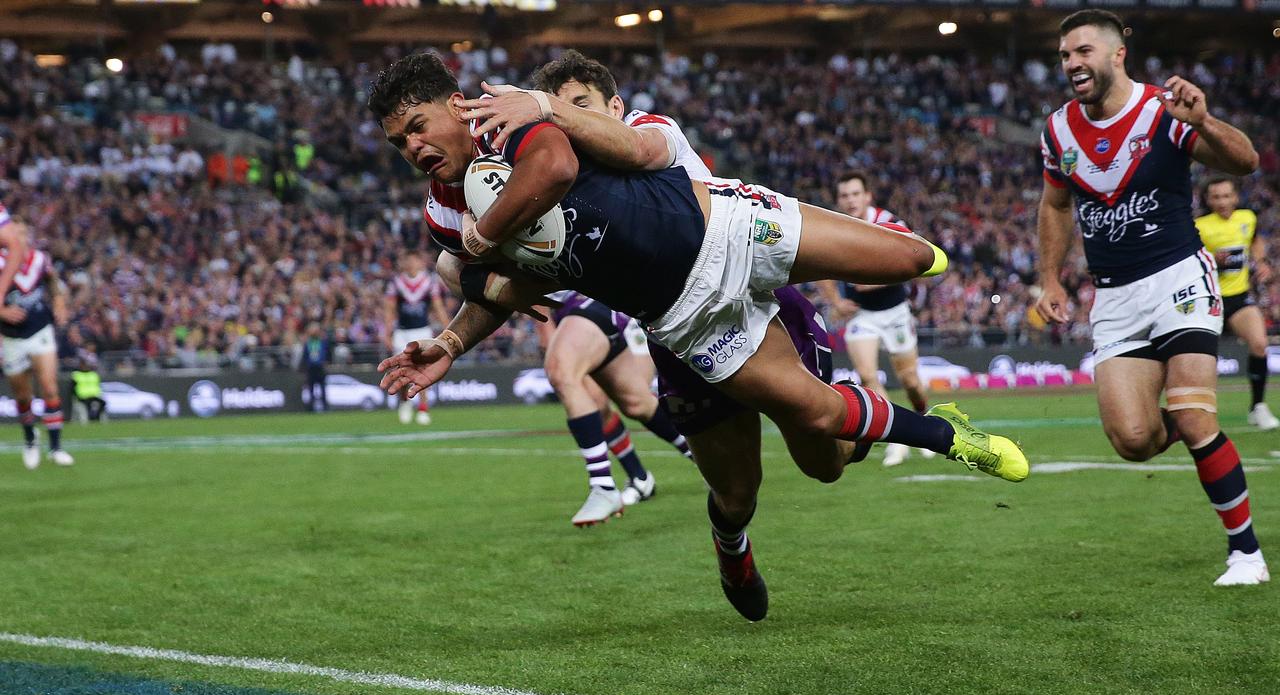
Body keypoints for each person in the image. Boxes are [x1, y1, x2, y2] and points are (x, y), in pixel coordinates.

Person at [370, 52, 1029, 618]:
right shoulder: (441, 216)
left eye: (417, 127)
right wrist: (452, 339)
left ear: (456, 106)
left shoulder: (510, 121)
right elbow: (520, 288)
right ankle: (939, 437)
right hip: (687, 316)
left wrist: (483, 241)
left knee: (911, 258)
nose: (413, 149)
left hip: (728, 226)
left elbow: (558, 170)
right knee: (785, 455)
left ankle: (983, 292)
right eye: (399, 142)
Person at [1035, 10, 1266, 585]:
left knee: (1191, 413)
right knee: (1133, 441)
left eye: (1082, 52)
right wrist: (1051, 277)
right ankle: (1198, 426)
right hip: (1113, 298)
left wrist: (1206, 122)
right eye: (1065, 55)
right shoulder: (1057, 130)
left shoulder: (1166, 108)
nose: (1071, 64)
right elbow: (1056, 205)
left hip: (1178, 280)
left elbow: (1246, 161)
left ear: (1117, 55)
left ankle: (1246, 554)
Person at [477, 51, 705, 526]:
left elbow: (641, 151)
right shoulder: (566, 162)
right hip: (618, 296)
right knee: (629, 400)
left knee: (563, 370)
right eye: (566, 109)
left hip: (654, 282)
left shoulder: (646, 128)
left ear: (616, 106)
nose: (574, 119)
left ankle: (604, 486)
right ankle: (667, 467)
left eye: (583, 104)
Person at [816, 172, 933, 467]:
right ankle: (896, 439)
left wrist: (871, 278)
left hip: (895, 311)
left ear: (867, 196)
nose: (850, 200)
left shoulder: (889, 222)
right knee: (869, 377)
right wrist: (836, 302)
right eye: (844, 195)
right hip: (862, 314)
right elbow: (820, 267)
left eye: (855, 194)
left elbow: (911, 262)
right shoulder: (835, 226)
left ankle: (925, 421)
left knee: (910, 381)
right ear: (839, 200)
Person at [1194, 177, 1277, 431]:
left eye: (1226, 196)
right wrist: (1210, 261)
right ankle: (1194, 411)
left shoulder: (1246, 218)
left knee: (1259, 343)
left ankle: (1258, 407)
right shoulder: (1198, 226)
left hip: (1238, 297)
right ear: (1207, 200)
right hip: (1206, 300)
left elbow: (1254, 240)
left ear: (1235, 197)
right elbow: (1187, 262)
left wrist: (1261, 261)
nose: (1222, 201)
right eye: (1216, 197)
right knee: (1200, 359)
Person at [0, 206, 74, 469]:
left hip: (40, 329)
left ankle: (55, 448)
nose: (19, 238)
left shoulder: (40, 260)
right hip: (11, 336)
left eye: (23, 233)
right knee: (22, 396)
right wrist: (3, 311)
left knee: (49, 385)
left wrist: (59, 302)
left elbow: (53, 283)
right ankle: (31, 439)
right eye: (14, 233)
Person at [384, 251, 449, 425]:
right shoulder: (396, 283)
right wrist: (387, 332)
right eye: (409, 260)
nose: (412, 263)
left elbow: (438, 306)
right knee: (401, 371)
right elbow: (390, 309)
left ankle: (423, 408)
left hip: (422, 331)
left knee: (422, 370)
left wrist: (448, 328)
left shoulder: (429, 282)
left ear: (420, 262)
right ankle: (405, 402)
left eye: (415, 260)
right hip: (402, 332)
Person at [301, 323, 329, 413]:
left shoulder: (322, 342)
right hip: (311, 368)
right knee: (311, 389)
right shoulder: (308, 343)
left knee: (322, 388)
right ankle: (311, 407)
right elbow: (305, 356)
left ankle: (325, 407)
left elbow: (327, 352)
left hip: (320, 367)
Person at [70, 353, 106, 423]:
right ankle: (91, 418)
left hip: (94, 396)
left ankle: (97, 418)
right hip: (82, 397)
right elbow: (72, 389)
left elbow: (98, 386)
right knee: (87, 405)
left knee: (103, 403)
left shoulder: (93, 374)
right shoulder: (76, 374)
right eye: (83, 364)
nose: (85, 366)